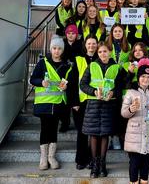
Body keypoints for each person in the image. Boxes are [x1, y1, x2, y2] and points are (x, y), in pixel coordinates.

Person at [80, 41, 123, 178]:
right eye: (100, 52)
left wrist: (114, 93)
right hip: (93, 104)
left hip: (109, 105)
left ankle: (103, 164)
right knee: (93, 135)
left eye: (105, 51)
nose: (102, 54)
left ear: (110, 52)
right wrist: (93, 91)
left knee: (105, 135)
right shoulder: (92, 65)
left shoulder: (117, 67)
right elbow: (83, 84)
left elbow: (121, 85)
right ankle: (94, 165)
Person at [30, 35, 73, 170]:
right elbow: (33, 79)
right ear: (50, 49)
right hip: (44, 103)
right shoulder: (43, 63)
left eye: (59, 48)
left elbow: (69, 81)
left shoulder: (66, 65)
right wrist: (41, 82)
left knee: (54, 128)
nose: (56, 51)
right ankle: (43, 158)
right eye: (54, 48)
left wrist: (66, 86)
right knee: (45, 128)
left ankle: (51, 156)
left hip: (58, 102)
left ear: (62, 50)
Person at [121, 62, 149, 184]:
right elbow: (123, 113)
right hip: (134, 133)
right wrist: (131, 110)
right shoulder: (131, 92)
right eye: (143, 76)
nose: (145, 79)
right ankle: (133, 182)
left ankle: (144, 181)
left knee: (146, 161)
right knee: (134, 162)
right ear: (138, 77)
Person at [71, 35, 98, 170]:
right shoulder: (78, 60)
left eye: (94, 43)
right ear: (85, 45)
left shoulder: (101, 60)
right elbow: (72, 83)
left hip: (96, 102)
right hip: (80, 102)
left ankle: (92, 159)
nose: (91, 46)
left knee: (93, 133)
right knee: (82, 132)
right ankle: (81, 160)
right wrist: (74, 102)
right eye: (89, 43)